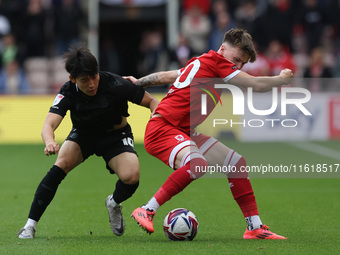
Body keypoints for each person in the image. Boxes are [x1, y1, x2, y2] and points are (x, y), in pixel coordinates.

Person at [126, 28, 293, 239]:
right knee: (197, 164)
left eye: (242, 63)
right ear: (222, 48)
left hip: (182, 130)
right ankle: (147, 209)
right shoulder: (217, 63)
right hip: (163, 128)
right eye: (236, 59)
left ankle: (254, 227)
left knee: (236, 163)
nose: (238, 66)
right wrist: (281, 79)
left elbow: (167, 75)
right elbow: (256, 84)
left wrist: (139, 82)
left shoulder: (201, 61)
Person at [17, 45, 159, 239]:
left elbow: (152, 102)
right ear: (72, 79)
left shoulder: (116, 84)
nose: (92, 84)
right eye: (85, 80)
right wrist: (49, 141)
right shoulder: (68, 91)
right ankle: (29, 226)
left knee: (132, 177)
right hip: (84, 136)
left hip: (115, 137)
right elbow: (48, 124)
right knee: (60, 165)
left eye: (94, 76)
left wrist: (156, 116)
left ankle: (113, 202)